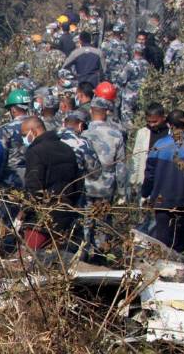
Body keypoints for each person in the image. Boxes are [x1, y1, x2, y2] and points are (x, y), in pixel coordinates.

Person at [19, 116, 84, 250]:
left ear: (34, 131)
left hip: (41, 218)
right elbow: (77, 183)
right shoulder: (67, 149)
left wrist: (24, 212)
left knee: (31, 259)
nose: (24, 139)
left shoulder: (35, 152)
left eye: (25, 135)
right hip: (65, 213)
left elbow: (34, 187)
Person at [141, 108, 184, 250]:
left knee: (163, 239)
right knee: (182, 238)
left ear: (169, 125)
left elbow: (149, 173)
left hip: (161, 199)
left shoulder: (159, 145)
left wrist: (145, 193)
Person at [83, 97, 130, 252]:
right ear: (106, 112)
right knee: (103, 220)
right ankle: (100, 252)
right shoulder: (116, 134)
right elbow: (121, 165)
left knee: (85, 218)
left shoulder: (84, 134)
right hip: (106, 186)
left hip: (86, 184)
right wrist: (122, 191)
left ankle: (83, 250)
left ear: (91, 111)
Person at [0, 89, 31, 189]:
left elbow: (2, 156)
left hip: (12, 177)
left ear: (13, 110)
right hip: (34, 174)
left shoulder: (6, 129)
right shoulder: (37, 125)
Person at [58, 109, 102, 184]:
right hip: (73, 188)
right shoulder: (82, 143)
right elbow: (95, 172)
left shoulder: (51, 137)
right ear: (80, 125)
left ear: (64, 123)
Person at [120, 44, 150, 126]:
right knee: (139, 115)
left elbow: (122, 79)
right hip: (142, 94)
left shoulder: (131, 64)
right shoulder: (147, 64)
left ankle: (128, 134)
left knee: (127, 116)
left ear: (134, 51)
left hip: (129, 94)